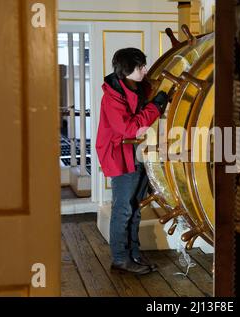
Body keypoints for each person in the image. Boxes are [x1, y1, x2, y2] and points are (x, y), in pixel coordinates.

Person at [96, 48, 168, 275]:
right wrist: (156, 107)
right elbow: (129, 128)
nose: (146, 70)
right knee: (123, 209)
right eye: (141, 67)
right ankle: (120, 259)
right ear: (127, 70)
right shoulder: (111, 96)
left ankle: (133, 255)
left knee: (135, 208)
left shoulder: (140, 86)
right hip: (120, 155)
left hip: (137, 153)